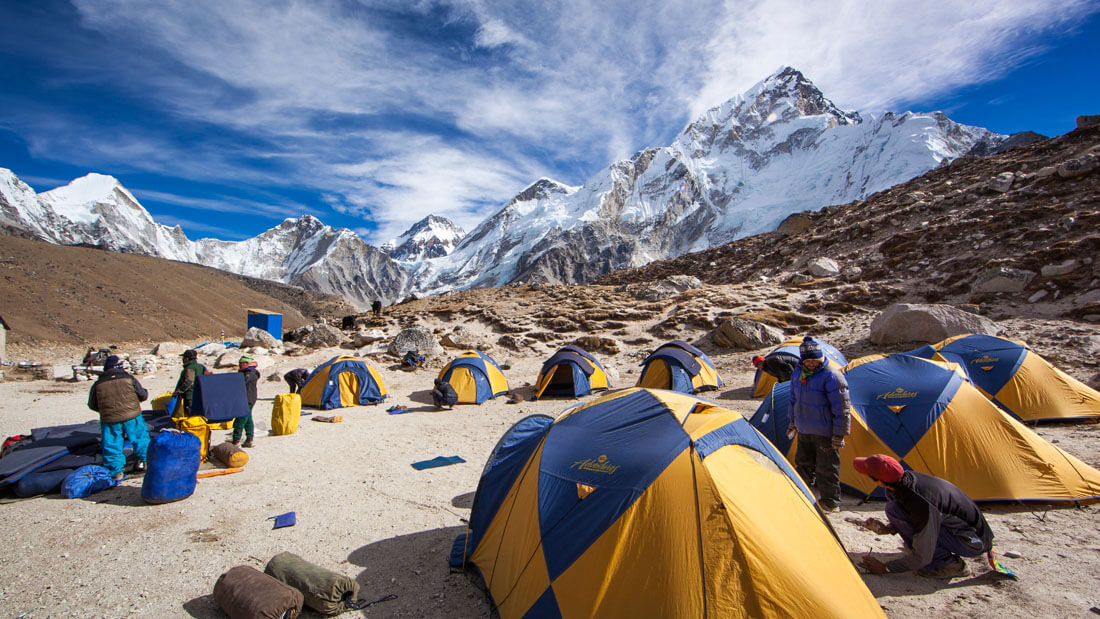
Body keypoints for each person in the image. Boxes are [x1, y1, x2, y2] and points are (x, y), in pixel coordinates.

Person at [854, 454, 993, 579]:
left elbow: (922, 557)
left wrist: (885, 568)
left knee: (923, 549)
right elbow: (911, 514)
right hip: (952, 526)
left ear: (880, 481)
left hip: (973, 542)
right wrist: (889, 528)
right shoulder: (904, 481)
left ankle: (949, 565)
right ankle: (928, 549)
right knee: (893, 508)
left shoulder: (921, 502)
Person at [787, 336, 850, 512]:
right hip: (804, 429)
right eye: (808, 360)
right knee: (803, 464)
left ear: (821, 358)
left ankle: (830, 502)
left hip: (825, 432)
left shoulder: (831, 375)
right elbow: (793, 400)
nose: (812, 364)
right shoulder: (798, 373)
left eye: (815, 360)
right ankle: (803, 496)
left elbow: (842, 408)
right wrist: (792, 422)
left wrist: (839, 434)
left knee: (827, 469)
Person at [88, 355, 149, 481]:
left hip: (110, 419)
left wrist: (106, 411)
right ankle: (147, 462)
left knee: (112, 444)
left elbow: (92, 404)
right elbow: (142, 395)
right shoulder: (129, 378)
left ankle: (116, 471)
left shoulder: (98, 383)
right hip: (132, 415)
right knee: (140, 439)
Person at [171, 349, 209, 417]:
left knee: (190, 414)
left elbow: (189, 382)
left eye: (183, 357)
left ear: (187, 358)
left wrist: (178, 391)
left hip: (190, 395)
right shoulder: (200, 367)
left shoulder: (189, 368)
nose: (182, 359)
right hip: (199, 394)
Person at [233, 354, 260, 448]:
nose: (239, 365)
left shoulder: (250, 372)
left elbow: (242, 382)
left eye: (240, 364)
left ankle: (236, 440)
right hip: (249, 398)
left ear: (245, 363)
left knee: (241, 418)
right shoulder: (247, 372)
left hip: (247, 398)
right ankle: (249, 439)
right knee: (247, 418)